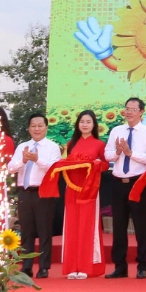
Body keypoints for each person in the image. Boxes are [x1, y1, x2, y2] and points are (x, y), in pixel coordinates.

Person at [104, 98, 146, 278]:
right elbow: (107, 155)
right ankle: (120, 266)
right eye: (127, 109)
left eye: (133, 109)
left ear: (141, 112)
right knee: (119, 227)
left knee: (141, 226)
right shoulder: (116, 131)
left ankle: (142, 266)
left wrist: (130, 153)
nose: (129, 112)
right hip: (118, 183)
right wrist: (119, 152)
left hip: (138, 182)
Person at [7, 114, 60, 277]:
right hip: (24, 192)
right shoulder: (22, 146)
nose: (36, 129)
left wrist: (38, 160)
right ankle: (27, 266)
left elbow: (55, 167)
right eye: (33, 126)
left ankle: (44, 267)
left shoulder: (52, 147)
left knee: (44, 231)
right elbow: (10, 168)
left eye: (40, 125)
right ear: (28, 128)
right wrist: (23, 160)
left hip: (43, 193)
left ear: (46, 127)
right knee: (27, 231)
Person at [57, 111, 107, 279]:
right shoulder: (71, 144)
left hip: (90, 189)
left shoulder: (99, 144)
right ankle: (72, 266)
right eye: (82, 122)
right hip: (71, 188)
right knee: (72, 225)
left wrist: (97, 164)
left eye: (88, 122)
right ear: (78, 124)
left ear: (94, 125)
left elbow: (106, 165)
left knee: (87, 225)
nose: (85, 125)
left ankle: (86, 266)